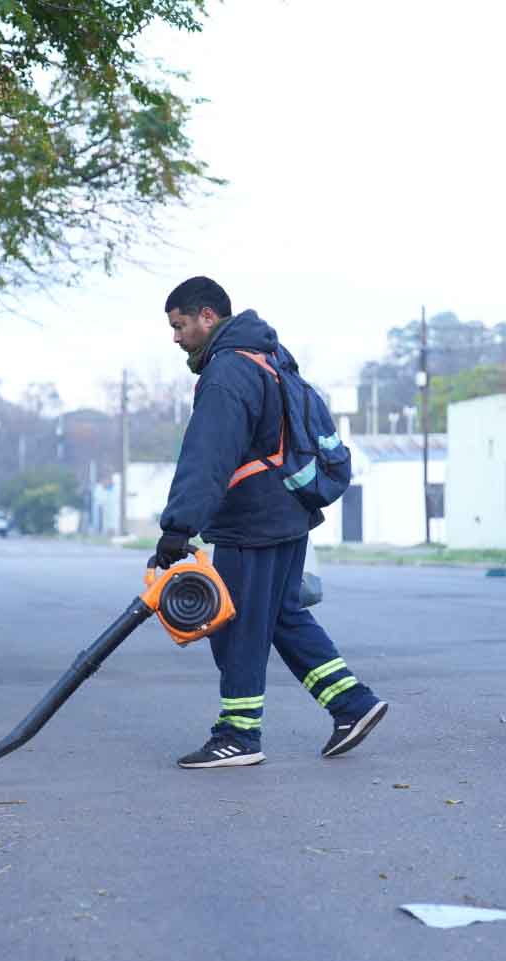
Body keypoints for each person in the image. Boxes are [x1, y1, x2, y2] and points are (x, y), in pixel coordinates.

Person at [154, 276, 388, 769]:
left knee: (236, 625)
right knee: (282, 615)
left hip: (253, 521)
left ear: (207, 317)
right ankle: (352, 704)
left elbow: (208, 455)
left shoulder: (227, 373)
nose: (176, 337)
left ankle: (239, 735)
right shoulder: (267, 358)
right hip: (287, 511)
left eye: (180, 326)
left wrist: (178, 526)